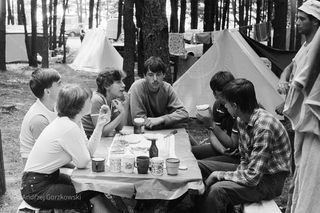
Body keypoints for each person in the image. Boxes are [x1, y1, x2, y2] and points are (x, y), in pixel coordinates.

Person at [21, 84, 120, 213]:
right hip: (36, 189)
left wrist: (100, 125)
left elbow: (87, 153)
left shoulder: (72, 123)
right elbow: (83, 162)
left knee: (92, 188)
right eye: (88, 100)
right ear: (78, 106)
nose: (91, 102)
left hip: (45, 180)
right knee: (90, 191)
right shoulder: (68, 127)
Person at [198, 79, 291, 213]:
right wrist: (231, 175)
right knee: (201, 167)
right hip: (251, 170)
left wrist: (219, 175)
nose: (225, 107)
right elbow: (244, 157)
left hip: (269, 180)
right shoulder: (242, 119)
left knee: (217, 190)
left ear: (235, 106)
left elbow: (252, 178)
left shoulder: (264, 128)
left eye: (226, 104)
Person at [276, 1, 320, 212]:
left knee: (308, 170)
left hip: (310, 119)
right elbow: (290, 67)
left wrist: (291, 97)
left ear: (315, 21)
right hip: (296, 118)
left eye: (302, 19)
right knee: (298, 168)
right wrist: (282, 80)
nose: (297, 23)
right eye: (297, 18)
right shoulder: (304, 46)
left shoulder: (317, 50)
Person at [191, 71, 240, 179]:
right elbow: (213, 135)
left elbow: (233, 144)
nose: (226, 97)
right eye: (222, 95)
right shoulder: (218, 105)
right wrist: (222, 150)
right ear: (214, 94)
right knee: (188, 153)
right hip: (224, 148)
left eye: (228, 93)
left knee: (198, 165)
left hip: (238, 156)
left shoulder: (237, 107)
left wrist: (211, 125)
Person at [129, 56, 188, 129]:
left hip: (161, 131)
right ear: (144, 76)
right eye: (150, 75)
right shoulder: (137, 87)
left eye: (158, 74)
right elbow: (138, 119)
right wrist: (167, 122)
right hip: (136, 131)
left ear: (164, 75)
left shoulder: (167, 88)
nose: (155, 79)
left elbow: (183, 113)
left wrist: (161, 119)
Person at [20, 69, 62, 165]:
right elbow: (50, 154)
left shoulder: (54, 107)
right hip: (39, 174)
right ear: (47, 92)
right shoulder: (39, 120)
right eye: (59, 84)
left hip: (51, 164)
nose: (62, 87)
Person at [82, 69, 129, 138]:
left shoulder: (113, 100)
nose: (123, 85)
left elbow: (119, 127)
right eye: (119, 82)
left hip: (97, 140)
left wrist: (126, 105)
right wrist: (121, 114)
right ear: (106, 85)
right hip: (86, 141)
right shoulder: (97, 100)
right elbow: (101, 133)